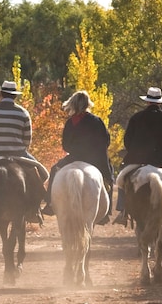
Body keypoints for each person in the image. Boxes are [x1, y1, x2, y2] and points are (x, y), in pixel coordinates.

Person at [113, 86, 162, 226]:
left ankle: (123, 210)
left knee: (122, 180)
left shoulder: (136, 118)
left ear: (147, 102)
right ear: (160, 102)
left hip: (137, 160)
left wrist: (136, 153)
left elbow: (127, 141)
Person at [0, 80, 50, 225]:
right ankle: (34, 210)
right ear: (15, 96)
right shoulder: (23, 112)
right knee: (43, 175)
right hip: (18, 154)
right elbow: (27, 139)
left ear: (0, 94)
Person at [41, 90, 113, 225]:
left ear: (72, 104)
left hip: (74, 158)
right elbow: (106, 142)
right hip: (95, 159)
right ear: (87, 104)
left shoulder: (70, 122)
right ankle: (106, 213)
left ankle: (49, 203)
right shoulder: (97, 121)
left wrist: (76, 150)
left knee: (54, 169)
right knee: (108, 176)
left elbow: (65, 145)